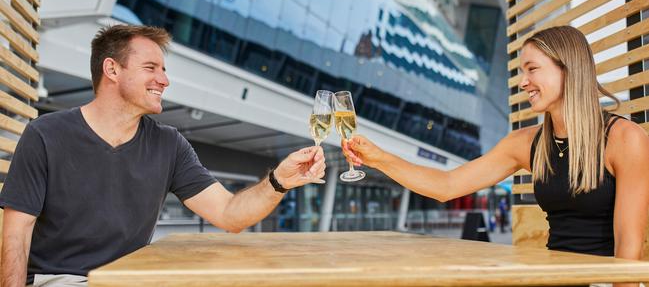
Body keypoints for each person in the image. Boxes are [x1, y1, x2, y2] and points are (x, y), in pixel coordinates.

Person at [0, 25, 327, 287]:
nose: (164, 79)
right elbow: (16, 233)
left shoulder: (169, 144)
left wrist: (278, 181)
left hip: (132, 279)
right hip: (62, 280)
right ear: (112, 69)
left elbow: (229, 214)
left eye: (164, 69)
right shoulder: (45, 135)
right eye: (150, 68)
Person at [343, 26, 649, 263]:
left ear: (567, 69)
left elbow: (628, 246)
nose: (523, 81)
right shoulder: (527, 143)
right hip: (552, 277)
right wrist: (379, 158)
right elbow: (447, 185)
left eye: (532, 69)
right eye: (521, 72)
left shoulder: (624, 139)